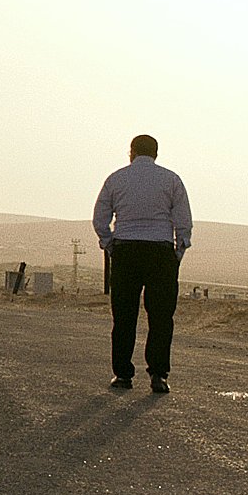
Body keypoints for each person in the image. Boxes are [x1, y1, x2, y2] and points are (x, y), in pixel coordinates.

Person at [92, 135, 192, 394]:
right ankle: (159, 375)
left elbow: (100, 217)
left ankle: (123, 374)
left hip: (126, 249)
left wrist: (109, 244)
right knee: (161, 316)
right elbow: (183, 221)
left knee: (124, 316)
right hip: (160, 251)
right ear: (156, 153)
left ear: (131, 152)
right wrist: (177, 252)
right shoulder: (171, 179)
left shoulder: (116, 179)